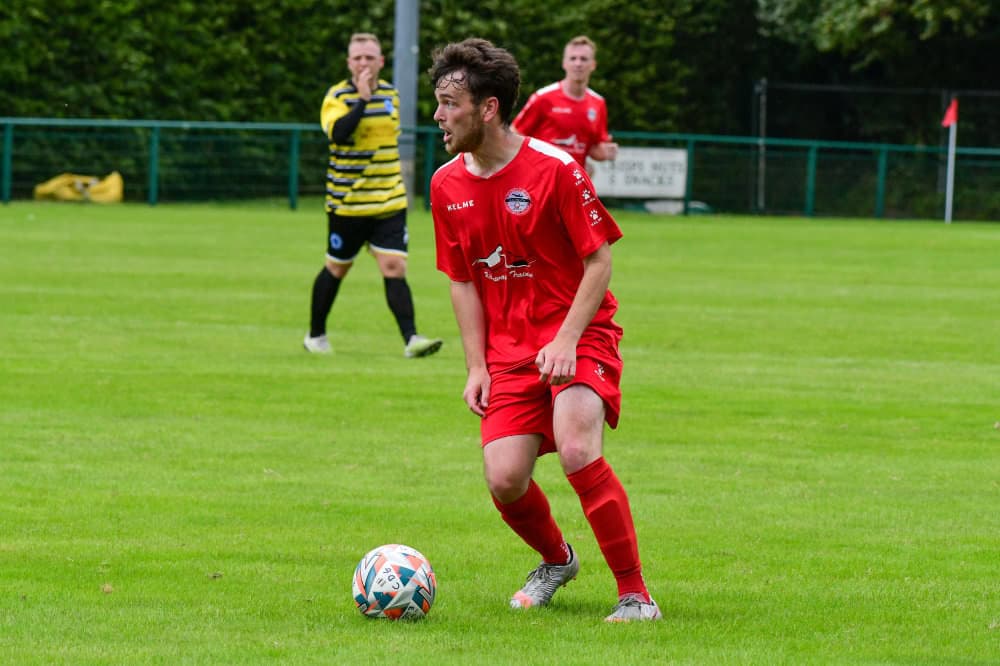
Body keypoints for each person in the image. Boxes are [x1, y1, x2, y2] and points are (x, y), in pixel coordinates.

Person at [427, 38, 661, 623]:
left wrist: (566, 340)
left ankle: (636, 596)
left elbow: (599, 260)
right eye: (438, 102)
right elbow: (462, 281)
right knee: (505, 479)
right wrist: (476, 366)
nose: (438, 115)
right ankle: (557, 561)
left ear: (488, 109)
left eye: (450, 103)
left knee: (578, 448)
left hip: (579, 332)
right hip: (509, 351)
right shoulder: (445, 185)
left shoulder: (555, 169)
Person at [304, 32, 442, 359]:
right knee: (337, 267)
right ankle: (315, 335)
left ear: (381, 62)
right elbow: (338, 134)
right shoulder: (337, 96)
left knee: (394, 266)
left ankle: (411, 339)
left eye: (369, 57)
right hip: (348, 204)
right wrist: (362, 100)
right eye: (358, 58)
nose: (363, 63)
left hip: (389, 200)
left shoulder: (391, 94)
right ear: (348, 63)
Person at [511, 35, 618, 175]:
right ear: (564, 63)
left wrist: (604, 153)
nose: (578, 63)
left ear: (593, 65)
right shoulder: (543, 97)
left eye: (583, 59)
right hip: (541, 178)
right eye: (573, 58)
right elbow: (515, 133)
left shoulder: (598, 103)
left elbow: (592, 147)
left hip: (573, 180)